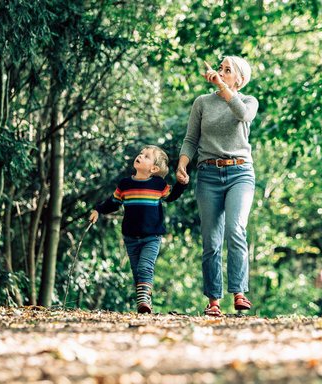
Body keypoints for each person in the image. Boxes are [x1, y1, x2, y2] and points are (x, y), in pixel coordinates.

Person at [175, 56, 259, 317]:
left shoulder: (248, 101)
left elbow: (242, 115)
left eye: (228, 70)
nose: (221, 72)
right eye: (220, 68)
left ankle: (239, 293)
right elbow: (191, 139)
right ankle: (213, 301)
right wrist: (182, 164)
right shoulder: (202, 102)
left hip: (240, 172)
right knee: (211, 241)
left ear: (240, 79)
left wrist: (223, 89)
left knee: (236, 228)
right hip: (208, 174)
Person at [90, 145, 186, 314]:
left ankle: (143, 300)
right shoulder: (125, 185)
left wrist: (181, 184)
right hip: (130, 237)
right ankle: (145, 302)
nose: (140, 156)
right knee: (137, 272)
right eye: (141, 153)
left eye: (147, 156)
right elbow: (112, 203)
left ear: (154, 168)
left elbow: (171, 197)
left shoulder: (158, 184)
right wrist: (98, 209)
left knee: (144, 268)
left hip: (152, 236)